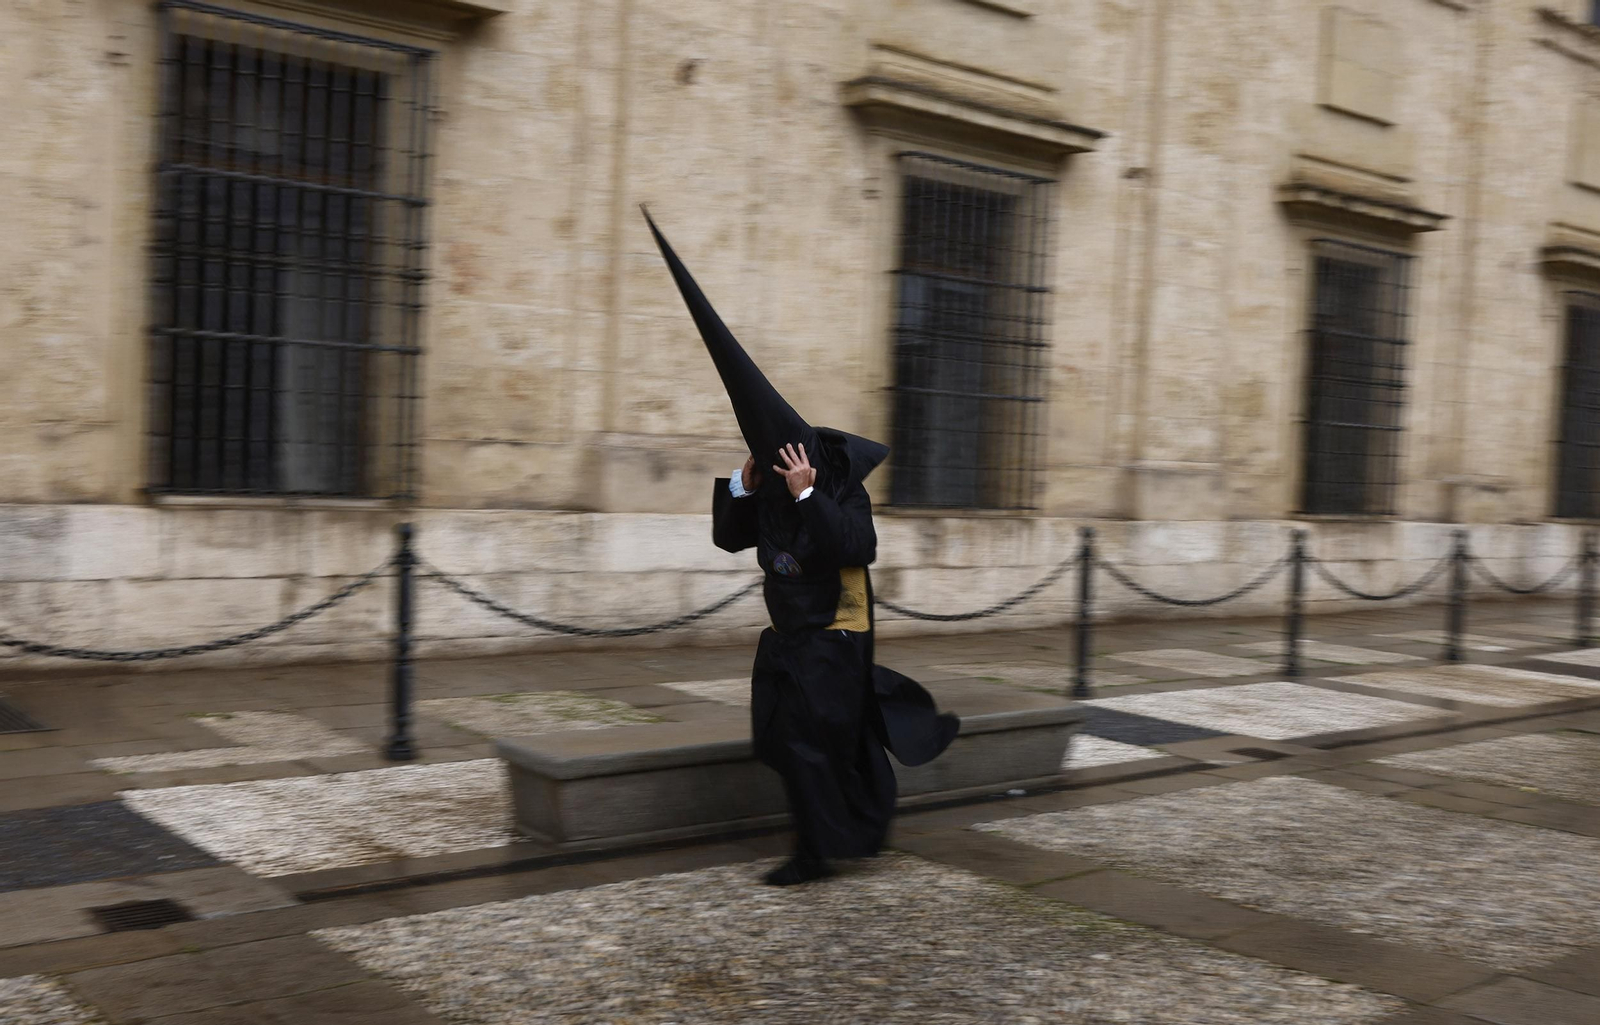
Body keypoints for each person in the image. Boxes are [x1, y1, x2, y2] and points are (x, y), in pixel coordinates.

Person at [643, 207, 959, 886]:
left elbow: (852, 546)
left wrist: (811, 492)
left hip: (834, 641)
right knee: (788, 743)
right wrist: (743, 482)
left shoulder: (836, 489)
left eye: (775, 464)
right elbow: (730, 539)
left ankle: (816, 852)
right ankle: (857, 823)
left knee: (811, 744)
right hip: (789, 639)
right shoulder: (774, 497)